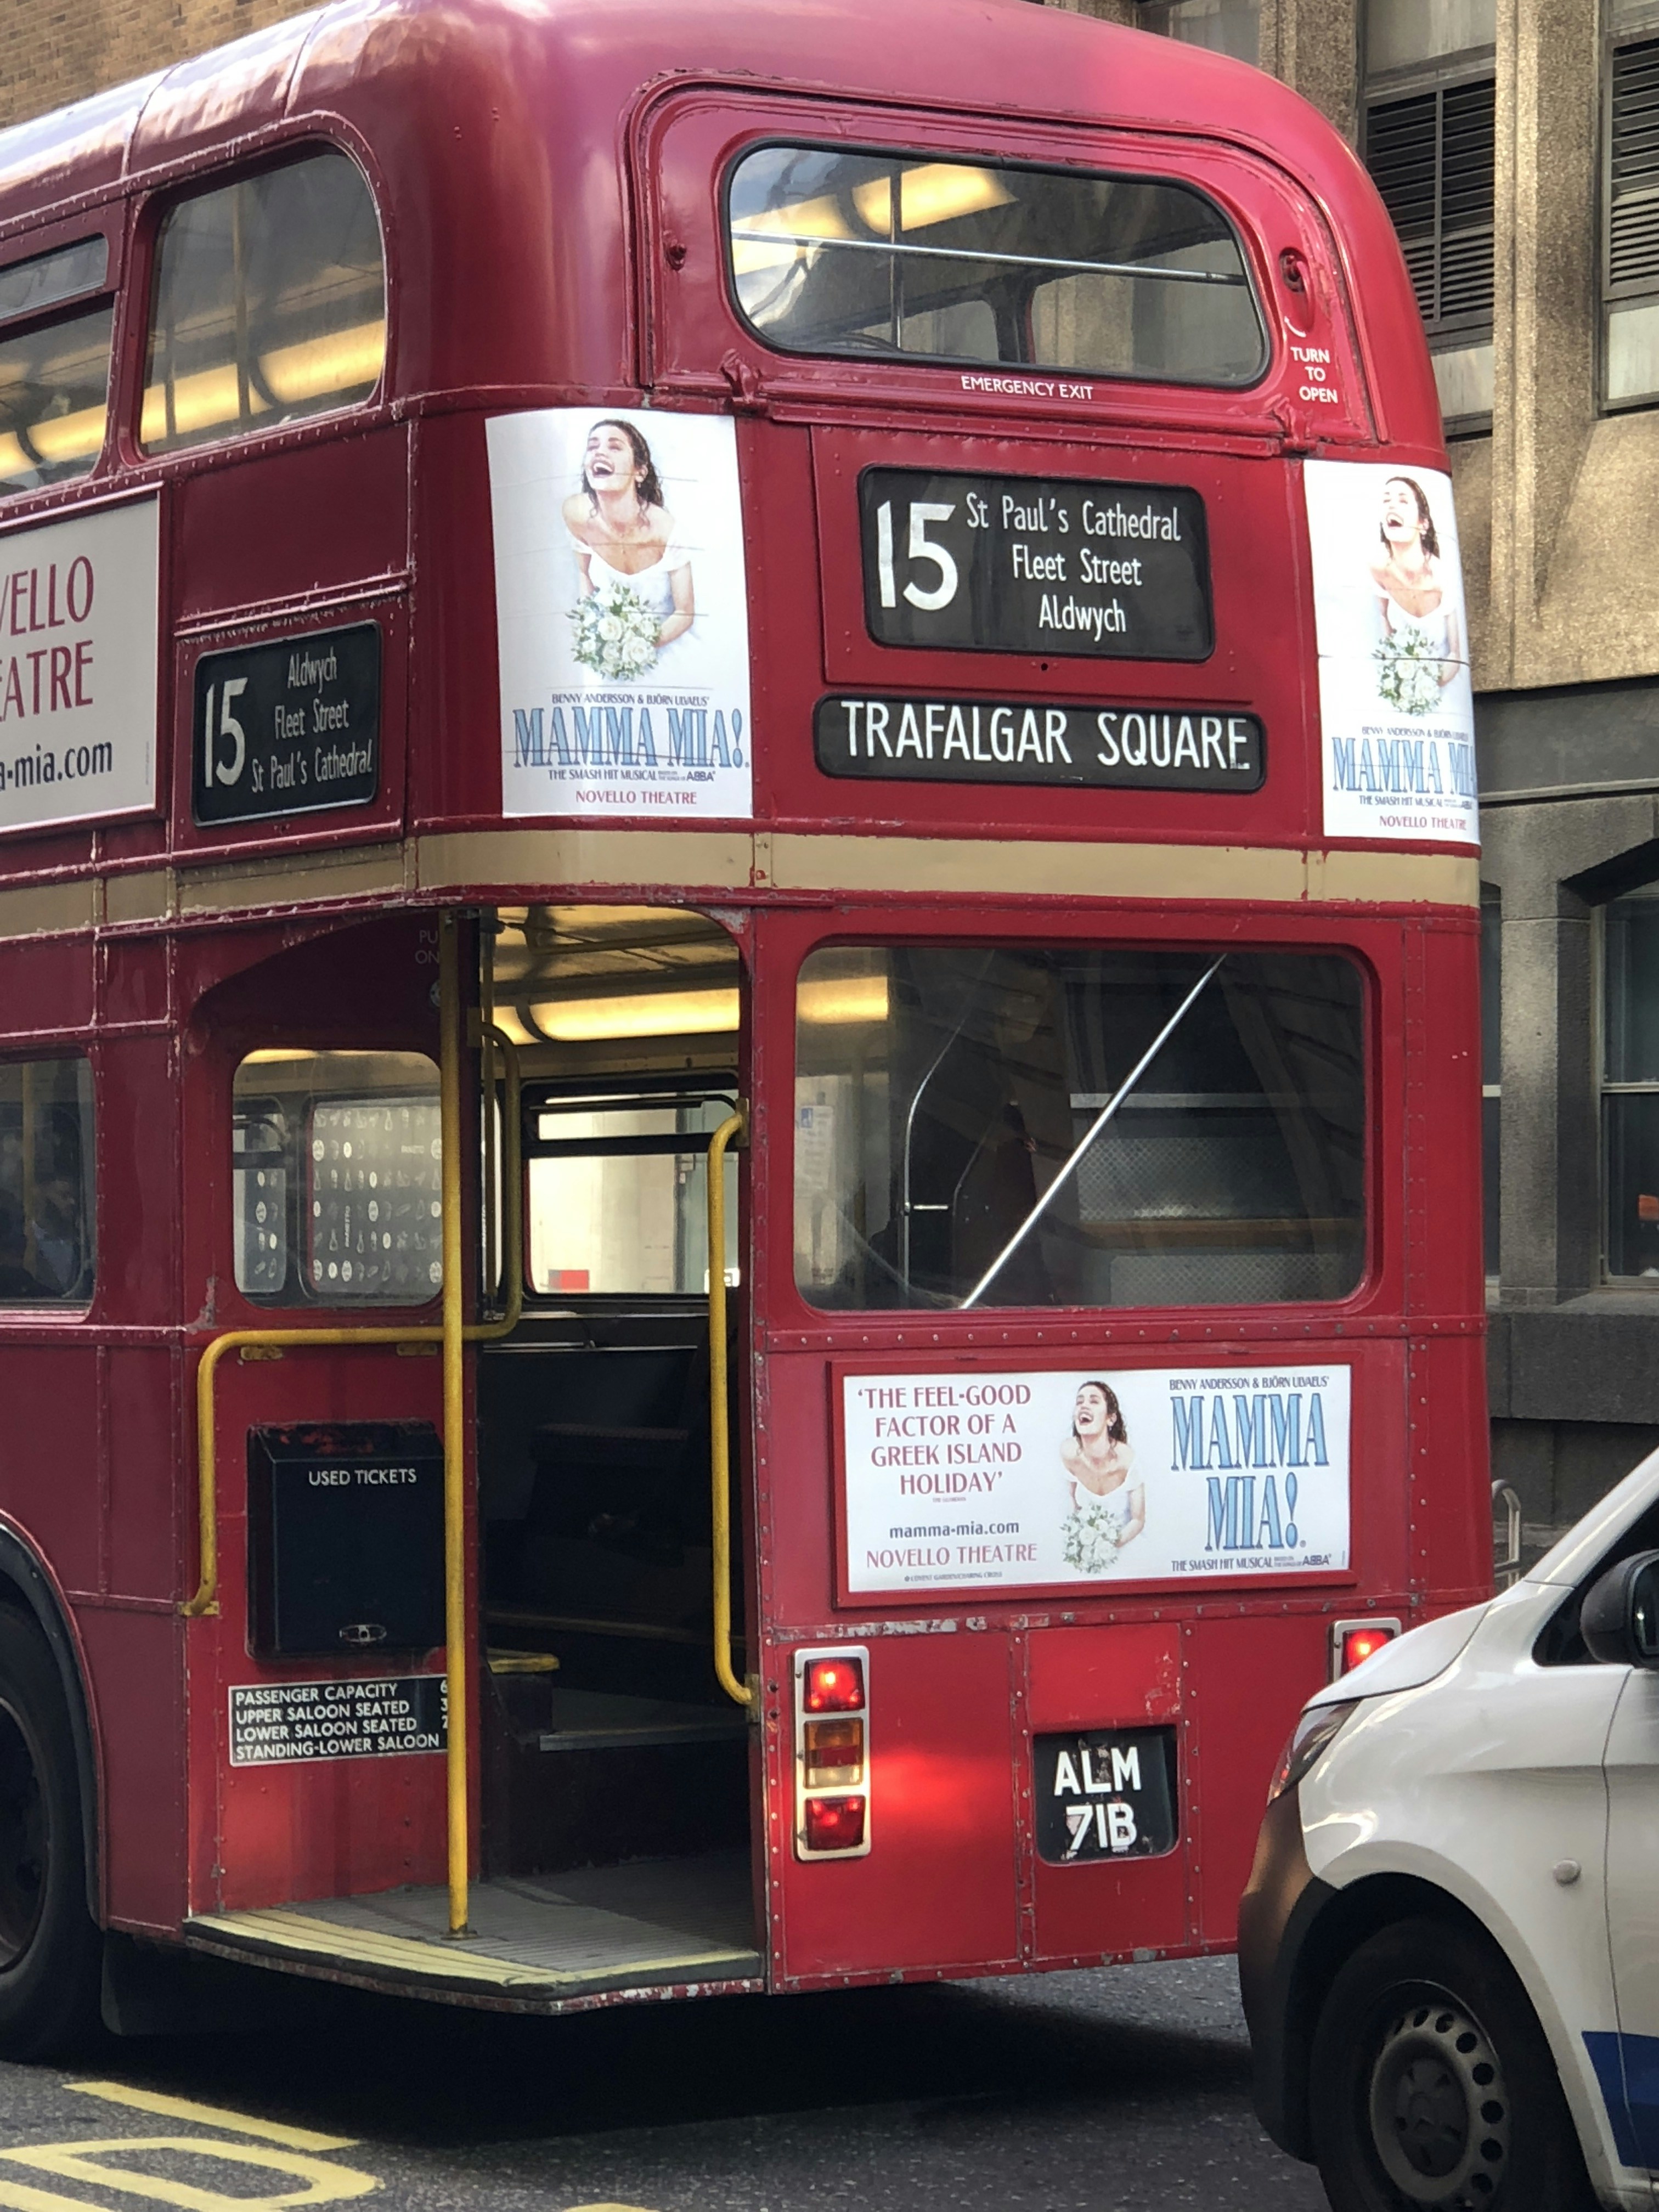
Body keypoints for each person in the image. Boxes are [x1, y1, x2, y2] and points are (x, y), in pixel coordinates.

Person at [562, 418, 695, 652]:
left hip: (664, 649)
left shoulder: (666, 530)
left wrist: (636, 647)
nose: (599, 453)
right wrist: (597, 637)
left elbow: (685, 613)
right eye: (593, 447)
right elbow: (584, 576)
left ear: (640, 472)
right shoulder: (575, 514)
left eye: (614, 447)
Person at [1368, 475, 1464, 685]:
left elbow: (1456, 655)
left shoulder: (1443, 575)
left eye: (1403, 501)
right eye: (1387, 501)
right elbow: (1383, 620)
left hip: (1443, 686)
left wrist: (1424, 687)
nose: (1392, 506)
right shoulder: (1378, 569)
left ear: (1423, 525)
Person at [1060, 1378, 1144, 1573]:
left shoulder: (1128, 1459)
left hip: (1128, 1554)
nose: (1084, 1406)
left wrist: (1105, 1548)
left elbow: (1138, 1520)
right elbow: (1072, 1505)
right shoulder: (1067, 1453)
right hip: (1086, 1559)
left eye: (1094, 1401)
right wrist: (1085, 1548)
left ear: (1110, 1418)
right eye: (1079, 1402)